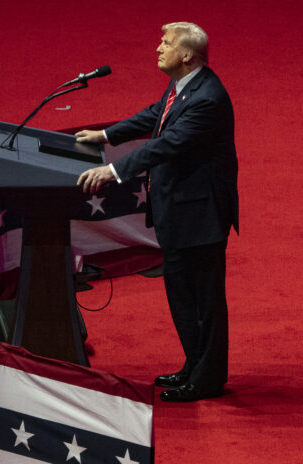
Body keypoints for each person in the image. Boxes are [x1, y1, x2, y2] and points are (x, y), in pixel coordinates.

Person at [76, 22, 238, 402]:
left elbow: (166, 145)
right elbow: (156, 116)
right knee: (182, 296)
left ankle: (208, 379)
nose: (158, 48)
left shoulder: (207, 99)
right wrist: (106, 135)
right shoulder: (184, 86)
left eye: (166, 43)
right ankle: (194, 365)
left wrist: (112, 169)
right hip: (177, 212)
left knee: (204, 301)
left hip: (201, 218)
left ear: (187, 55)